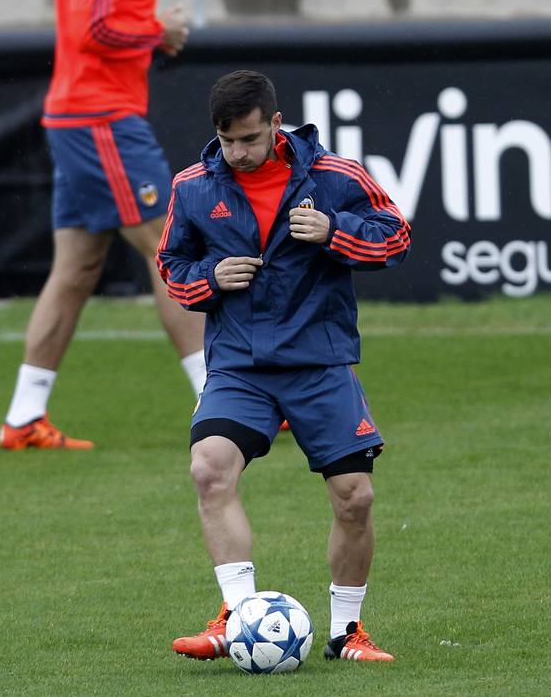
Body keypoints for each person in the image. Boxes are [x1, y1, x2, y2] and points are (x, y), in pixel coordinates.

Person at [157, 70, 411, 661]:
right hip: (239, 366)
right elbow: (172, 265)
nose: (238, 153)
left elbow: (396, 237)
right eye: (227, 142)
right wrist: (209, 279)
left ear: (277, 124)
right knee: (209, 469)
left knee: (356, 497)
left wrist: (334, 231)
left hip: (320, 362)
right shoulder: (193, 186)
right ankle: (237, 616)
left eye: (249, 139)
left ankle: (347, 632)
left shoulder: (335, 177)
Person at [0, 0, 205, 450]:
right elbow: (93, 28)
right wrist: (157, 32)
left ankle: (23, 419)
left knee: (77, 268)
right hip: (101, 119)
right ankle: (224, 401)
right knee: (170, 250)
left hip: (81, 116)